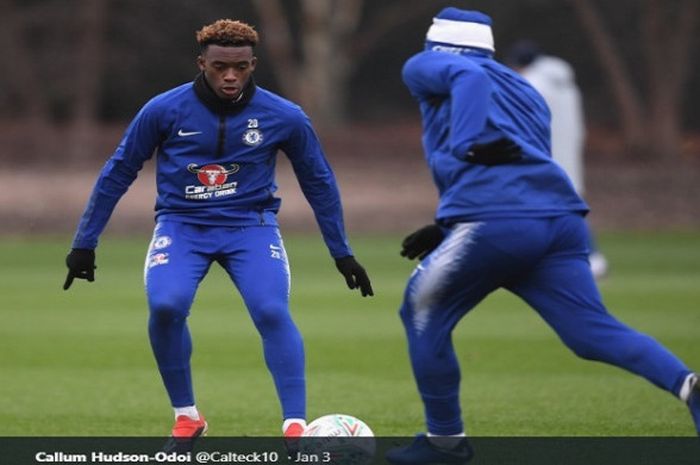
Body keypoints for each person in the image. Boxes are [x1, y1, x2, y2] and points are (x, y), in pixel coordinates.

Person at [387, 8, 699, 464]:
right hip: (559, 221)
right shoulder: (522, 88)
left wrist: (465, 145)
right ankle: (689, 386)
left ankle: (445, 444)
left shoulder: (426, 65)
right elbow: (519, 163)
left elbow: (466, 83)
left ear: (435, 44)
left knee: (421, 310)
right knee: (590, 332)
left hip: (498, 221)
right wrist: (450, 223)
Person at [63, 19, 373, 441]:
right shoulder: (163, 110)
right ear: (202, 63)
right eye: (220, 67)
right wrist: (85, 243)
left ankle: (296, 427)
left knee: (271, 310)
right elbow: (117, 172)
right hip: (182, 226)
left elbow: (318, 180)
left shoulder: (285, 116)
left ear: (253, 65)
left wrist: (342, 251)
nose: (231, 76)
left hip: (252, 227)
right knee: (167, 306)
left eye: (241, 67)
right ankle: (188, 417)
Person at [506, 40, 608, 278]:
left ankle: (590, 256)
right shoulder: (565, 85)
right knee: (566, 204)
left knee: (555, 208)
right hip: (568, 152)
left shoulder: (531, 84)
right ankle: (579, 256)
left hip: (543, 154)